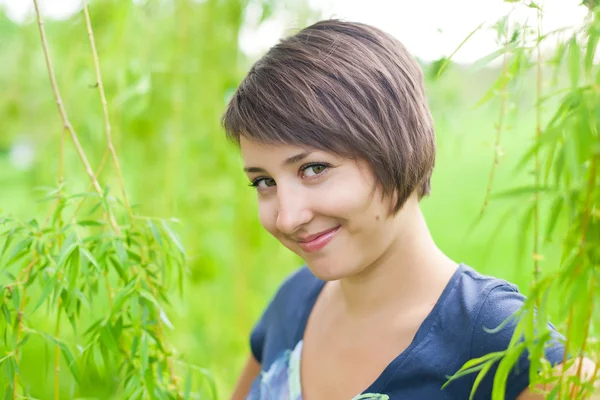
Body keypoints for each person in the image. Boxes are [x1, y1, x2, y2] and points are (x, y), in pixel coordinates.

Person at [221, 19, 588, 400]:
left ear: (397, 146)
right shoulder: (294, 300)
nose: (287, 216)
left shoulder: (500, 340)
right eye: (264, 182)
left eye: (314, 169)